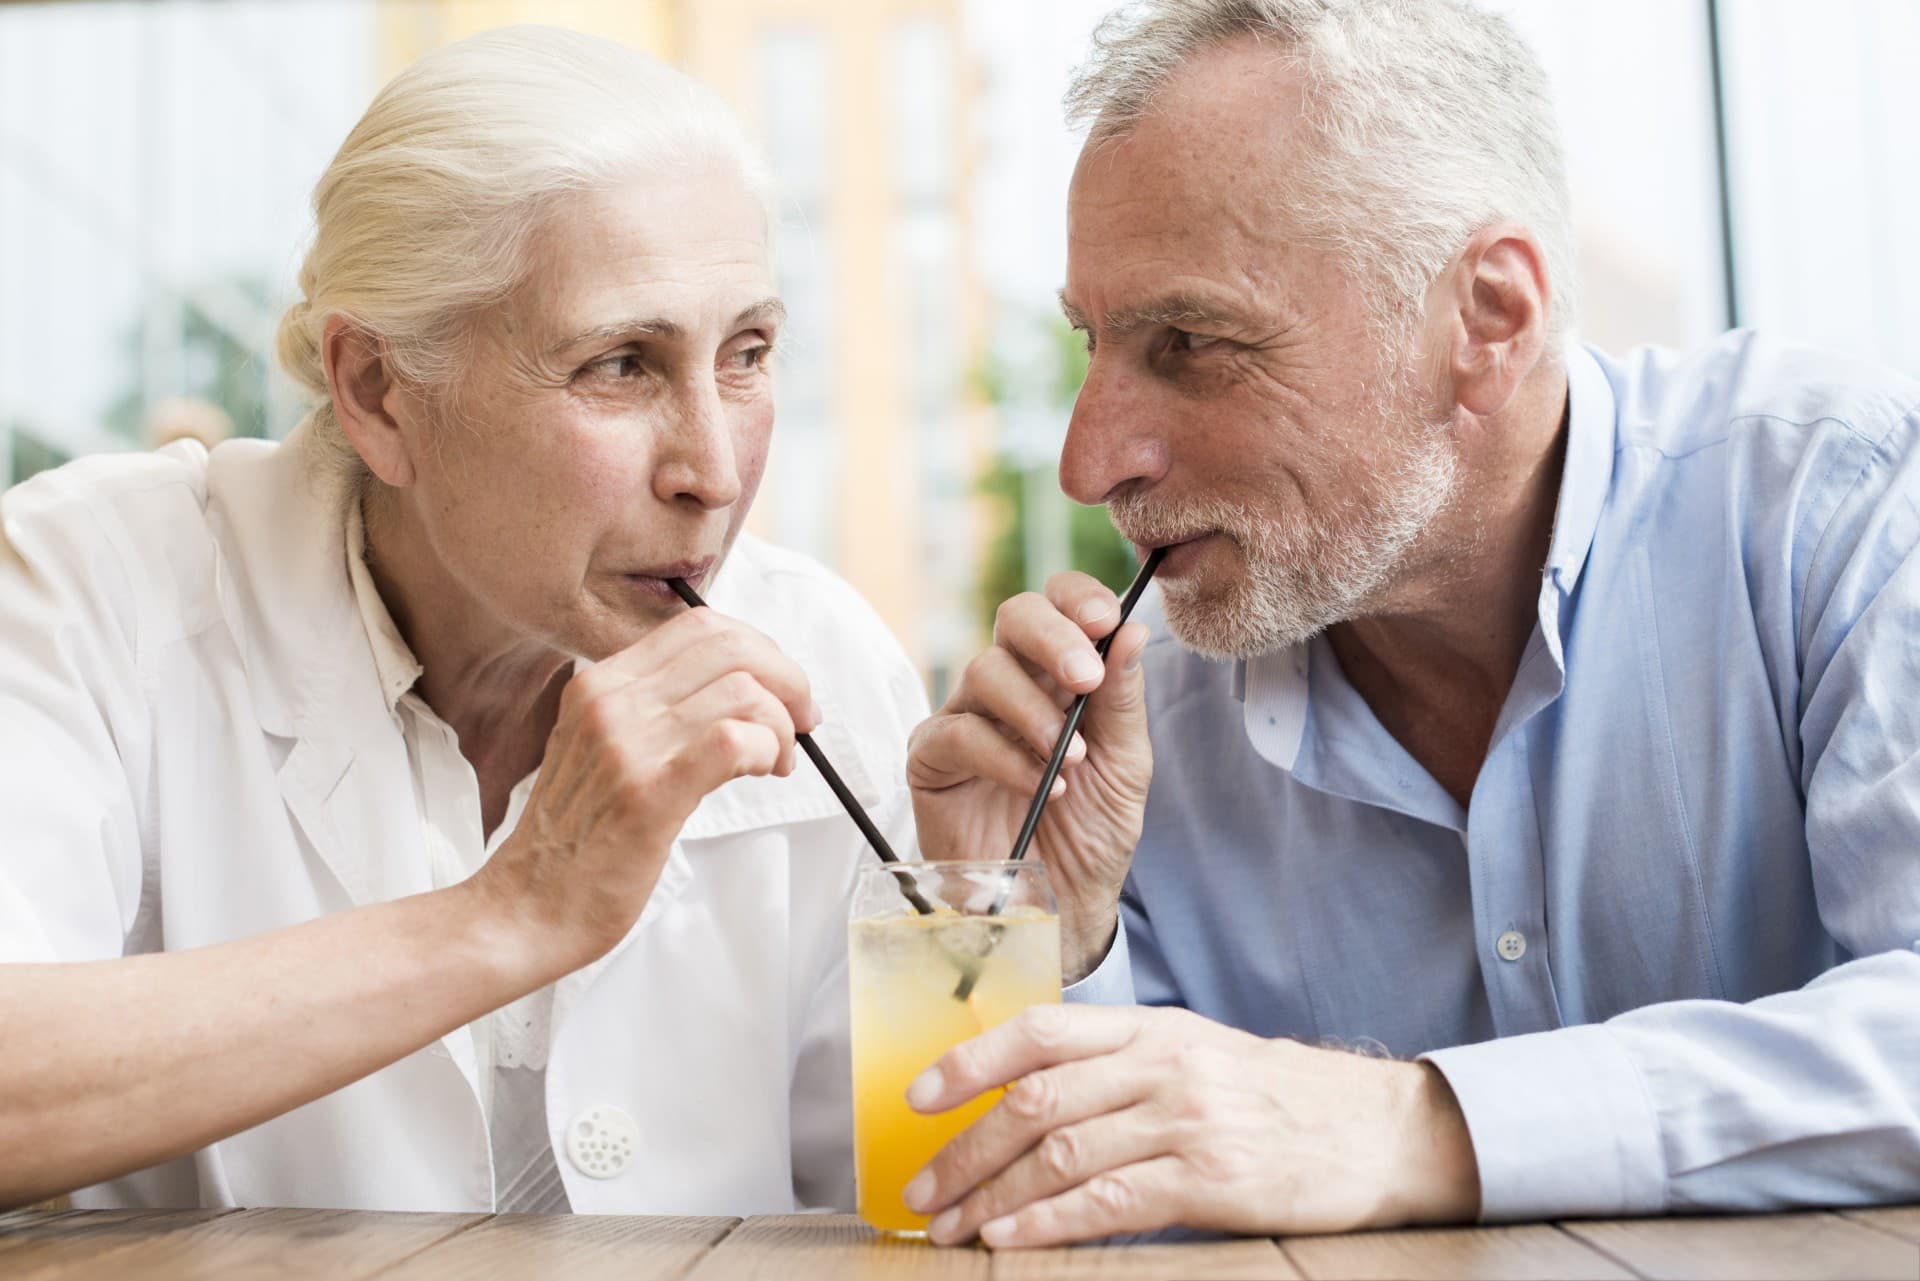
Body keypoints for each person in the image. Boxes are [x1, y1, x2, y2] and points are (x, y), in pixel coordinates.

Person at [904, 0, 1920, 1249]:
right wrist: (1040, 941)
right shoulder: (1120, 728)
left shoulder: (1846, 507)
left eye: (1191, 342)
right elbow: (1010, 1225)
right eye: (1092, 343)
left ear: (1487, 318)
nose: (1089, 458)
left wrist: (1416, 1125)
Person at [0, 27, 927, 1215]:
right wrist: (513, 913)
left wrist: (1011, 919)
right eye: (621, 365)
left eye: (746, 353)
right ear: (378, 392)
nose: (714, 468)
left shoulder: (825, 658)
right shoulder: (93, 589)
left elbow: (916, 1208)